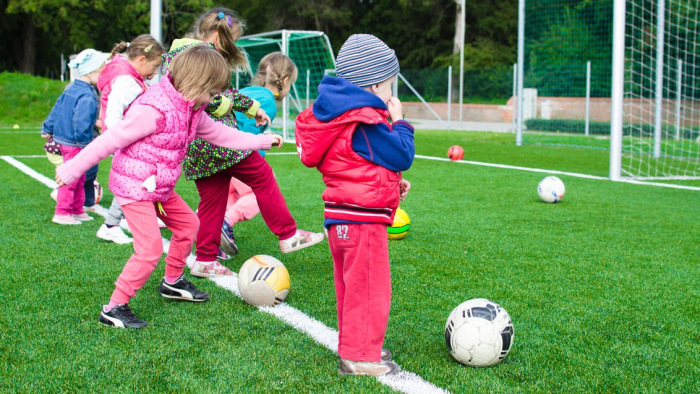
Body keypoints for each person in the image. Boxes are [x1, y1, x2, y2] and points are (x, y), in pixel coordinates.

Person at [54, 46, 283, 329]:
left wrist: (259, 141)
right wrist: (72, 169)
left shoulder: (192, 108)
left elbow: (219, 134)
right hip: (135, 187)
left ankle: (172, 282)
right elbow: (110, 140)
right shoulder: (153, 110)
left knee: (189, 225)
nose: (215, 100)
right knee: (149, 249)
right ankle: (114, 307)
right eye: (212, 93)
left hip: (159, 187)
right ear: (196, 84)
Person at [162, 8, 323, 279]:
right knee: (262, 175)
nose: (231, 48)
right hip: (217, 141)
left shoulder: (183, 53)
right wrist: (231, 109)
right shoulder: (196, 56)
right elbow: (207, 98)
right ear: (216, 35)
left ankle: (204, 259)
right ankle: (288, 234)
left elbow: (225, 92)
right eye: (230, 41)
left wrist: (252, 108)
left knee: (213, 201)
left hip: (198, 148)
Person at [294, 34, 415, 376]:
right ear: (375, 84)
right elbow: (402, 153)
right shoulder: (364, 120)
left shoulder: (339, 116)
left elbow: (356, 164)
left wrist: (391, 185)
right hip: (362, 223)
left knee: (351, 288)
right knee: (369, 290)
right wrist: (400, 121)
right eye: (391, 85)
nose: (392, 94)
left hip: (342, 218)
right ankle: (360, 357)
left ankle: (356, 345)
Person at [219, 52, 298, 256]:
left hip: (218, 150)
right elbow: (248, 133)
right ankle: (226, 222)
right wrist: (260, 152)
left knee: (226, 196)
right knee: (257, 193)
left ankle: (206, 228)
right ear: (285, 80)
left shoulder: (247, 91)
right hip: (236, 154)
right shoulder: (269, 103)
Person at [95, 34, 166, 244]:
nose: (154, 74)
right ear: (141, 60)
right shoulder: (127, 81)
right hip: (125, 141)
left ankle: (122, 220)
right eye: (154, 67)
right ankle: (110, 225)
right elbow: (114, 115)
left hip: (126, 139)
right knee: (133, 181)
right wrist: (122, 140)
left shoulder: (129, 76)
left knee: (140, 179)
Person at [41, 48, 108, 225]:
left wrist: (47, 126)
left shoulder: (71, 88)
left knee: (80, 177)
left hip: (67, 140)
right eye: (102, 71)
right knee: (72, 177)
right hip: (76, 143)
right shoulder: (87, 94)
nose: (103, 75)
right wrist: (86, 144)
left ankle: (77, 210)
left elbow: (56, 107)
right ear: (92, 72)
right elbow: (81, 122)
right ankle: (62, 212)